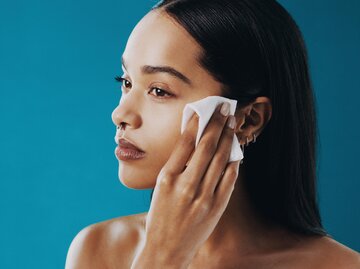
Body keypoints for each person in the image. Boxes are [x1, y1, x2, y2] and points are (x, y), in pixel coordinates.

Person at [65, 0, 360, 268]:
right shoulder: (98, 250)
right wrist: (160, 257)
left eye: (159, 90)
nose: (120, 114)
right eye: (126, 81)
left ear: (248, 120)